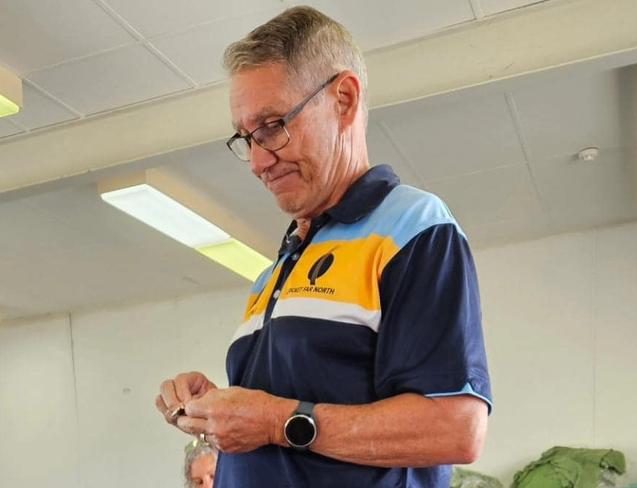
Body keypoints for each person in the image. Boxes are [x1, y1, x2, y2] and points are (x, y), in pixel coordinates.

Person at [156, 6, 492, 487]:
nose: (256, 161)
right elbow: (279, 424)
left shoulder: (413, 228)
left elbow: (456, 429)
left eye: (272, 126)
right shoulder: (277, 269)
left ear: (344, 100)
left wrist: (275, 421)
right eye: (245, 137)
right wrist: (216, 407)